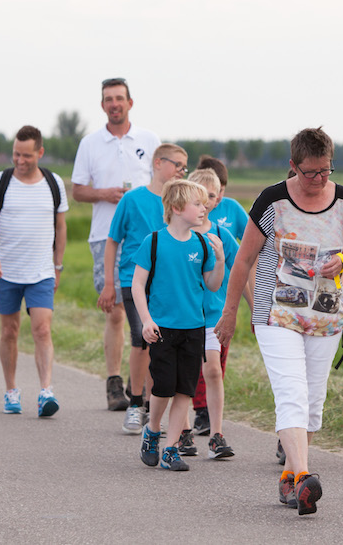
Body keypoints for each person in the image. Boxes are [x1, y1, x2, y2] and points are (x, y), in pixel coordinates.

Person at [216, 127, 343, 516]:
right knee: (291, 393)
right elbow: (244, 260)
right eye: (309, 172)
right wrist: (230, 312)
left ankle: (289, 479)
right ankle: (303, 476)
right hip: (276, 313)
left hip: (325, 315)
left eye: (325, 171)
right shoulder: (272, 200)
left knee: (313, 402)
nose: (318, 179)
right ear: (293, 165)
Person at [71, 77, 161, 411]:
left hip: (146, 237)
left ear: (130, 103)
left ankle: (146, 387)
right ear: (102, 105)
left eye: (119, 98)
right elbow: (78, 190)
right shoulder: (90, 143)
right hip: (106, 235)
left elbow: (163, 182)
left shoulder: (149, 140)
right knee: (115, 311)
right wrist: (104, 194)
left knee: (149, 311)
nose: (114, 104)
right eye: (108, 99)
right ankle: (114, 381)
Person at [132, 179, 224, 471]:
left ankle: (171, 449)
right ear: (176, 208)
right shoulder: (153, 242)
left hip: (194, 328)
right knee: (162, 388)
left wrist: (220, 260)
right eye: (197, 204)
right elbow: (137, 284)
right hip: (162, 329)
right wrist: (146, 320)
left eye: (204, 203)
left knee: (184, 389)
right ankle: (152, 431)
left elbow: (212, 285)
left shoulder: (202, 243)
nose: (204, 208)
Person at [0, 126, 68, 417]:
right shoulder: (0, 181)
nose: (20, 160)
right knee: (9, 331)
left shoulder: (53, 183)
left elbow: (61, 227)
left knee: (42, 329)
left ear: (40, 152)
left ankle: (46, 392)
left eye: (26, 155)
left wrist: (57, 266)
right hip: (5, 271)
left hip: (41, 272)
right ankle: (11, 390)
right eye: (16, 154)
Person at [100, 143, 189, 433]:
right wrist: (109, 283)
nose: (182, 171)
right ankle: (135, 403)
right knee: (141, 339)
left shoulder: (179, 204)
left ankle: (152, 407)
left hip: (166, 284)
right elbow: (112, 241)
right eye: (177, 164)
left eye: (184, 167)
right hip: (133, 280)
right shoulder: (132, 199)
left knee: (159, 344)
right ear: (158, 163)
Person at [176, 168, 250, 459]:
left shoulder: (222, 235)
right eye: (199, 196)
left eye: (211, 196)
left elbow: (242, 270)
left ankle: (216, 435)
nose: (206, 202)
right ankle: (183, 431)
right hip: (182, 317)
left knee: (213, 370)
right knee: (184, 374)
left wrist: (254, 307)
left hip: (213, 316)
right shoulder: (176, 235)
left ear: (218, 198)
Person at [197, 155, 249, 242]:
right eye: (208, 193)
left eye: (220, 190)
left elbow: (254, 241)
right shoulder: (187, 210)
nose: (216, 197)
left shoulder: (232, 207)